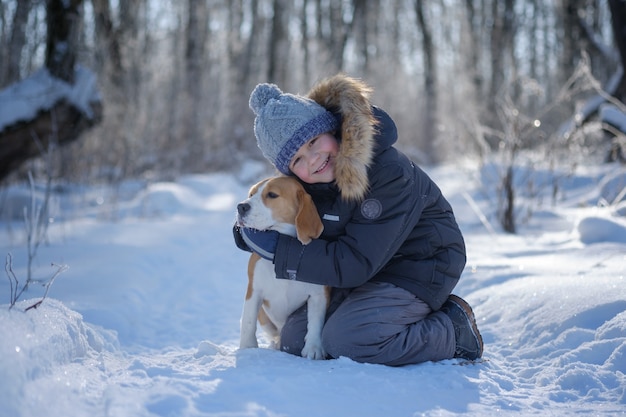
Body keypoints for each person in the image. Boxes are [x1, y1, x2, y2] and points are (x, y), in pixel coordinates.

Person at [234, 73, 483, 366]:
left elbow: (355, 264)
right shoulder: (313, 182)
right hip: (364, 274)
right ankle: (377, 315)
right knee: (295, 339)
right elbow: (275, 206)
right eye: (297, 159)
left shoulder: (388, 172)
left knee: (347, 339)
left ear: (333, 130)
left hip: (418, 266)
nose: (313, 159)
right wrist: (249, 227)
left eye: (314, 141)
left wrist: (279, 249)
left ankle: (451, 331)